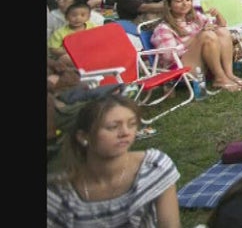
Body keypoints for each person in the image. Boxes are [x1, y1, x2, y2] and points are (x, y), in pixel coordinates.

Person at [47, 94, 182, 228]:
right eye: (112, 127)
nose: (125, 132)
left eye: (132, 124)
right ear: (83, 136)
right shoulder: (60, 192)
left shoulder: (154, 168)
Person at [152, 0, 242, 92]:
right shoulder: (163, 28)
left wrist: (217, 15)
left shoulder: (194, 18)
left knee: (222, 32)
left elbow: (221, 26)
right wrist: (196, 37)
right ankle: (220, 78)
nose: (185, 3)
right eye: (179, 1)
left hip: (204, 60)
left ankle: (229, 74)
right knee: (206, 35)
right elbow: (169, 56)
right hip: (181, 66)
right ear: (169, 5)